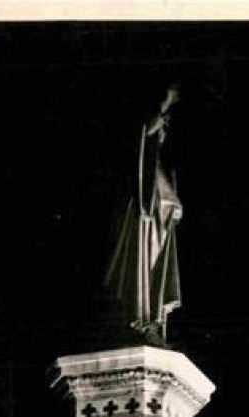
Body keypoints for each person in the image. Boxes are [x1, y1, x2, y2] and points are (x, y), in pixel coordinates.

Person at [105, 86, 182, 344]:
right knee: (141, 272)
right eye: (161, 126)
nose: (163, 132)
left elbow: (168, 202)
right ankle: (142, 320)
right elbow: (140, 140)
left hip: (156, 235)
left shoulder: (158, 166)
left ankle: (152, 321)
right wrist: (164, 105)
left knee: (152, 276)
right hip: (144, 231)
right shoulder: (139, 163)